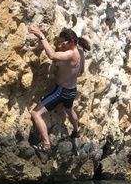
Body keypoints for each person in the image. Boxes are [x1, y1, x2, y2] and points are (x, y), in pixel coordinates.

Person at [28, 25, 90, 155]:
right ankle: (76, 130)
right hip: (72, 90)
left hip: (61, 91)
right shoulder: (80, 52)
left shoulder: (70, 53)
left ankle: (46, 145)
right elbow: (82, 70)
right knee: (69, 110)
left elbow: (52, 55)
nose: (62, 46)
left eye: (64, 44)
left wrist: (41, 36)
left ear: (72, 41)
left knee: (35, 114)